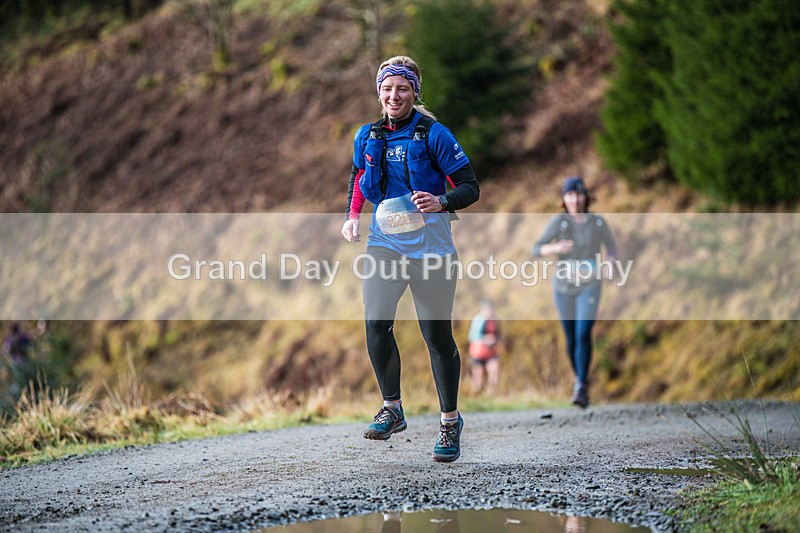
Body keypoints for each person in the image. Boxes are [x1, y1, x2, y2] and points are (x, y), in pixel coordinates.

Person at [342, 55, 480, 462]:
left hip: (433, 249)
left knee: (436, 336)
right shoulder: (367, 136)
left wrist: (441, 201)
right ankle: (392, 407)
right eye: (387, 88)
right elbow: (357, 176)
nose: (394, 95)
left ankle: (450, 422)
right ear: (379, 92)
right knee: (376, 320)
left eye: (402, 88)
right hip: (385, 243)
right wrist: (352, 217)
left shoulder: (434, 134)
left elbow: (471, 187)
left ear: (414, 92)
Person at [532, 177, 618, 408]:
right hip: (563, 287)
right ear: (564, 199)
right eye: (570, 194)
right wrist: (555, 248)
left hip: (590, 284)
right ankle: (580, 379)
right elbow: (536, 248)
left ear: (585, 197)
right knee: (570, 338)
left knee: (583, 332)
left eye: (578, 194)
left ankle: (581, 384)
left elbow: (611, 248)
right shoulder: (559, 223)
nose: (575, 199)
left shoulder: (597, 222)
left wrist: (609, 262)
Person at [467, 300, 501, 395]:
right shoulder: (478, 320)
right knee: (478, 376)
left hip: (491, 352)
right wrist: (486, 339)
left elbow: (498, 334)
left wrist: (497, 340)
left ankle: (491, 395)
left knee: (494, 370)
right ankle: (476, 396)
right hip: (478, 352)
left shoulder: (494, 320)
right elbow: (472, 336)